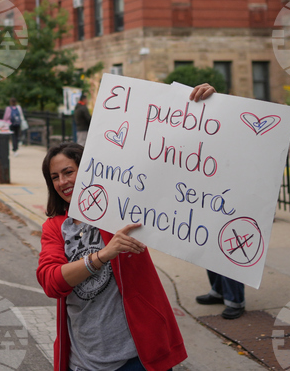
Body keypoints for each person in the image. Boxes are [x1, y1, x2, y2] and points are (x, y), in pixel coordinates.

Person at [37, 83, 216, 371]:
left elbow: (166, 161)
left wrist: (200, 109)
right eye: (55, 177)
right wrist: (102, 256)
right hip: (83, 360)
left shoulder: (121, 206)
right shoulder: (56, 227)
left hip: (137, 356)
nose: (62, 182)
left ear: (90, 167)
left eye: (69, 171)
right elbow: (51, 282)